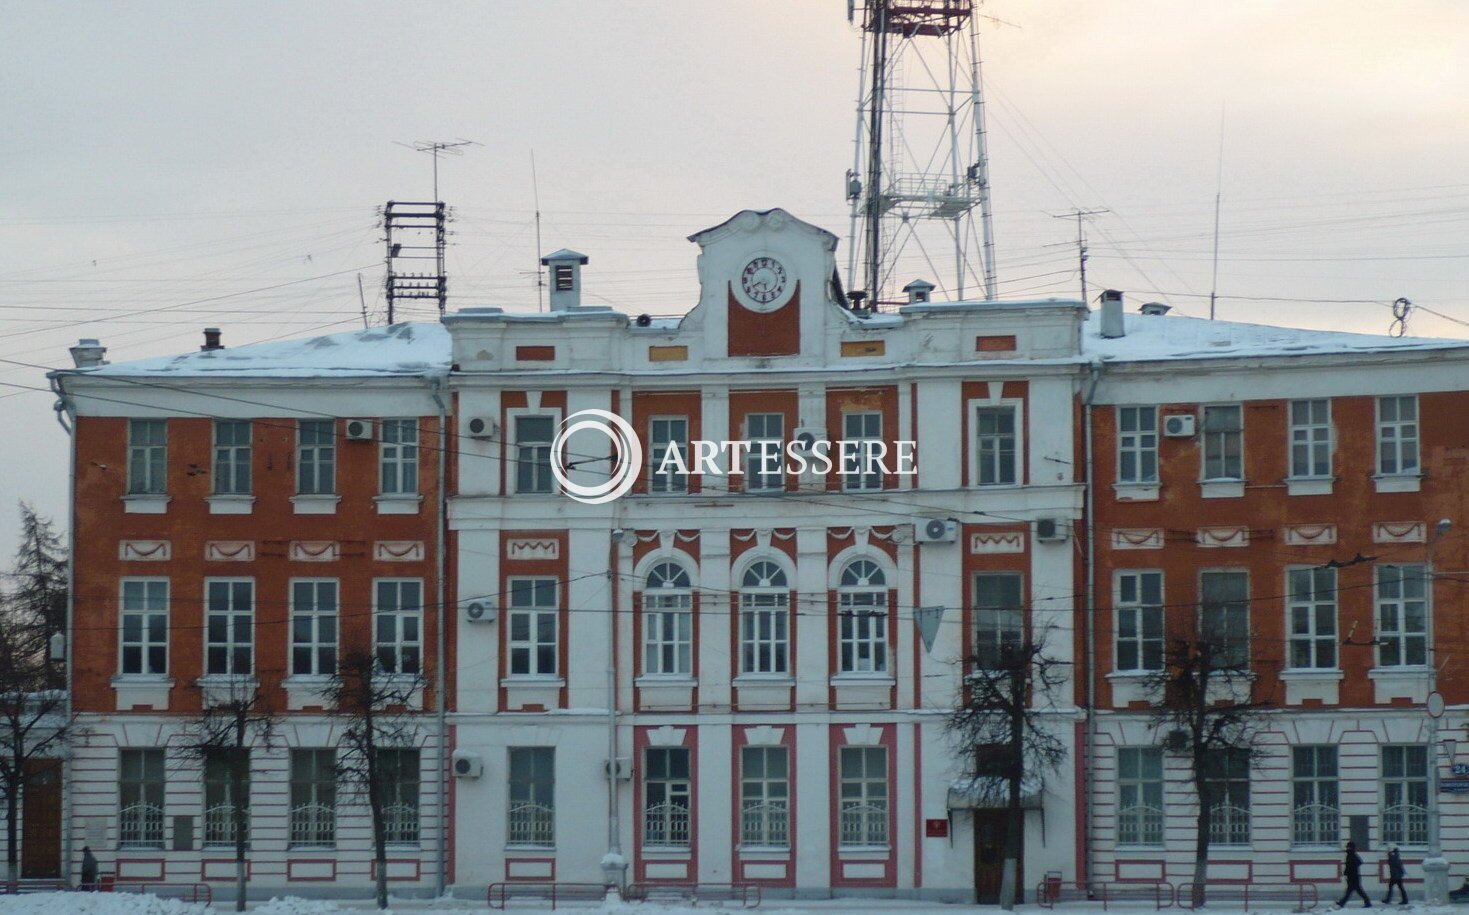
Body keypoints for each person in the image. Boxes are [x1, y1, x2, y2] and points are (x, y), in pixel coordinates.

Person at [1338, 840, 1372, 908]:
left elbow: (1350, 865)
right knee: (1352, 891)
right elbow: (1357, 863)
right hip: (1354, 876)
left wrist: (1347, 872)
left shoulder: (1351, 855)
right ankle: (1342, 902)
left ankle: (1367, 901)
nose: (1347, 848)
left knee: (1354, 891)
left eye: (1348, 847)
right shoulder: (1352, 854)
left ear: (1350, 848)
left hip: (1353, 877)